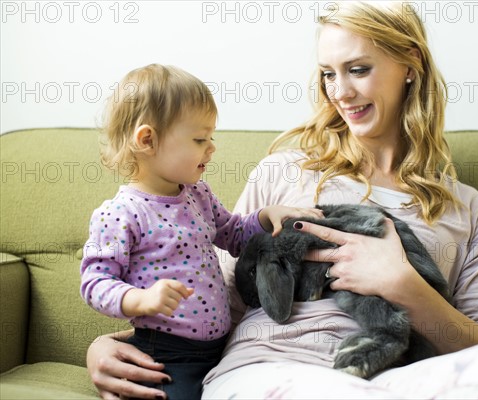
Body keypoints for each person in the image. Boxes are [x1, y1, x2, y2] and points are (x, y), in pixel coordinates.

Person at [85, 3, 478, 399]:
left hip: (389, 379)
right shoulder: (284, 173)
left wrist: (406, 287)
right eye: (327, 74)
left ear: (410, 65)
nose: (339, 92)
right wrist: (114, 344)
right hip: (270, 372)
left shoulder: (467, 211)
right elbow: (205, 295)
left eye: (358, 69)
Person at [80, 64, 322, 400]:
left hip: (220, 350)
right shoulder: (121, 214)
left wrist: (267, 216)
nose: (211, 147)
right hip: (167, 355)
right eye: (199, 139)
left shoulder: (197, 194)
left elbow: (234, 234)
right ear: (147, 139)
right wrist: (138, 299)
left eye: (211, 137)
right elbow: (94, 282)